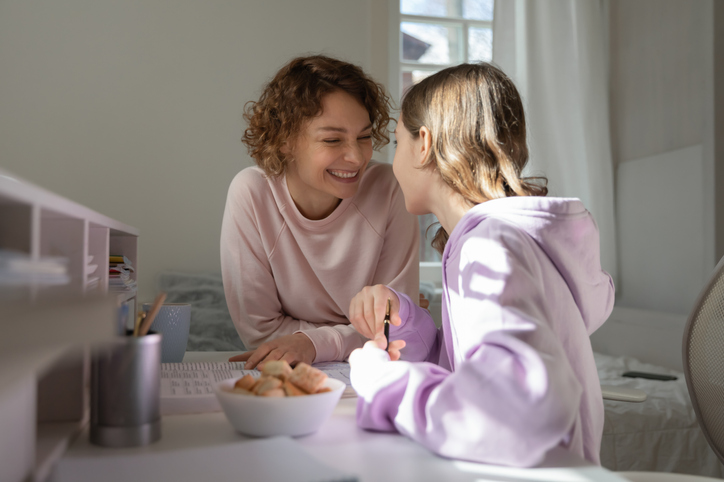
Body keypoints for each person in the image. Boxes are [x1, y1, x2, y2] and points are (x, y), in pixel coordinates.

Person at [347, 62, 615, 467]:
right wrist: (407, 322)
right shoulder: (493, 242)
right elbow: (472, 370)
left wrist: (381, 383)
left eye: (396, 142)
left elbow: (509, 412)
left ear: (424, 144)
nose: (391, 160)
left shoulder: (489, 248)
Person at [220, 55, 420, 370]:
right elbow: (261, 334)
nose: (355, 157)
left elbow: (396, 328)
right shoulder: (252, 194)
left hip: (376, 368)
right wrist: (355, 335)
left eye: (364, 137)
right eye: (332, 139)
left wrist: (311, 343)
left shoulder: (390, 189)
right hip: (297, 370)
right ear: (284, 140)